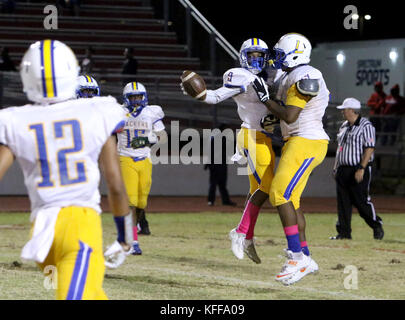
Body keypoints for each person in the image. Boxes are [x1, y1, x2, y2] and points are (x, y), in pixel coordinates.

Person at [0, 39, 133, 299]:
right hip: (80, 226)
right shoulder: (97, 111)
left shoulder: (15, 119)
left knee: (90, 293)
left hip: (42, 231)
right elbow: (115, 184)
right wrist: (125, 236)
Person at [181, 38, 277, 265]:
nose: (256, 59)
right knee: (270, 187)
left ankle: (248, 237)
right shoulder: (240, 75)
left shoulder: (271, 75)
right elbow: (214, 96)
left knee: (258, 190)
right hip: (250, 136)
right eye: (252, 55)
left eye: (259, 55)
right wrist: (200, 94)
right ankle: (241, 231)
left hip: (266, 138)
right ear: (244, 56)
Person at [251, 33, 329, 285]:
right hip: (296, 141)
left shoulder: (306, 74)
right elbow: (283, 115)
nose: (276, 60)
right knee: (291, 201)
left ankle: (297, 257)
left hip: (307, 141)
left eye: (281, 55)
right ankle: (304, 254)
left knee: (279, 193)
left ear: (295, 54)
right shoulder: (288, 76)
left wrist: (266, 100)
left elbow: (291, 115)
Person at [113, 81, 166, 243]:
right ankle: (133, 239)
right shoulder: (118, 112)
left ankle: (136, 228)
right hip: (125, 157)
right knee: (131, 200)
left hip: (145, 159)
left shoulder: (151, 112)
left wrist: (145, 140)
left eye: (138, 97)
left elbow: (162, 137)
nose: (136, 100)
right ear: (126, 98)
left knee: (142, 201)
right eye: (133, 97)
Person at [331, 97, 384, 240]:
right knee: (343, 202)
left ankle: (376, 224)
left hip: (358, 168)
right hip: (343, 169)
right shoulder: (344, 126)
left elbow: (369, 147)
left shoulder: (366, 126)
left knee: (361, 202)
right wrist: (336, 167)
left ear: (352, 110)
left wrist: (361, 168)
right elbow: (340, 149)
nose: (343, 112)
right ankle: (344, 233)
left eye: (345, 109)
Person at [205, 123, 237, 207]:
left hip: (218, 164)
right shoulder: (220, 138)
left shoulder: (217, 137)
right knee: (217, 183)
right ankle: (217, 200)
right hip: (217, 164)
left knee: (218, 183)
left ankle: (215, 200)